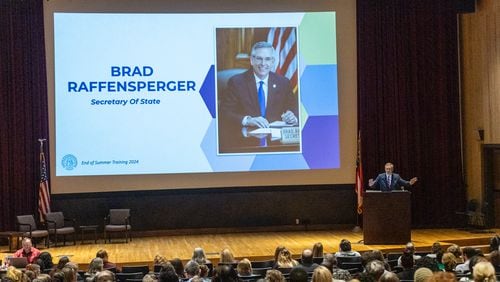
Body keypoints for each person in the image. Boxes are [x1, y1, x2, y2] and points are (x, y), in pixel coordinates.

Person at [220, 41, 298, 129]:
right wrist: (248, 120)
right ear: (252, 60)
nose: (263, 63)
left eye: (267, 59)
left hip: (275, 138)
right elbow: (224, 113)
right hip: (246, 137)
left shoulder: (283, 83)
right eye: (259, 59)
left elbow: (294, 109)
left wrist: (292, 117)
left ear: (272, 62)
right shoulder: (237, 82)